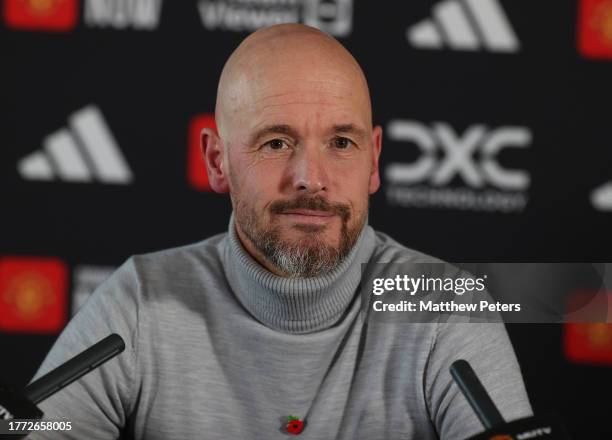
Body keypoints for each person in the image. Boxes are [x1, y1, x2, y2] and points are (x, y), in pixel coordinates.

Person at [30, 23, 532, 439]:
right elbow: (38, 432)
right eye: (275, 143)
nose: (311, 178)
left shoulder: (444, 307)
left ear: (374, 160)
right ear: (217, 160)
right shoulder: (141, 302)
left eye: (340, 141)